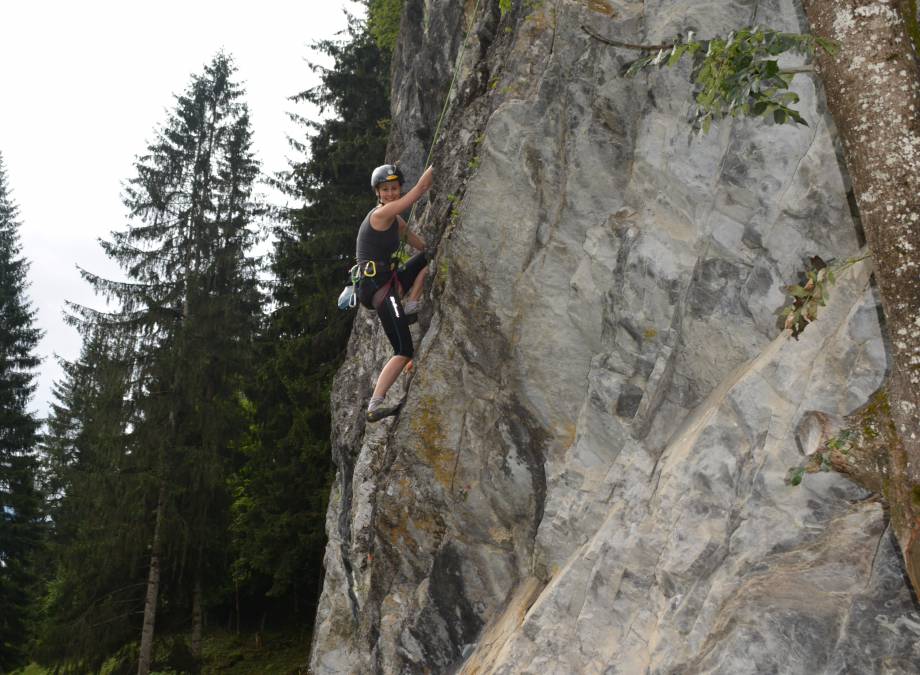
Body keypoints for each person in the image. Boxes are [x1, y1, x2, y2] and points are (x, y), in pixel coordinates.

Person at [356, 163, 433, 422]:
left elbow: (418, 243)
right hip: (376, 287)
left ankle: (411, 304)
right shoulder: (380, 215)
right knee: (403, 349)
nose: (390, 193)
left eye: (394, 188)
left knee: (426, 258)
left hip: (388, 281)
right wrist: (433, 170)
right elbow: (420, 190)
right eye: (385, 189)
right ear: (378, 193)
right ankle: (374, 405)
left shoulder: (396, 221)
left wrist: (430, 248)